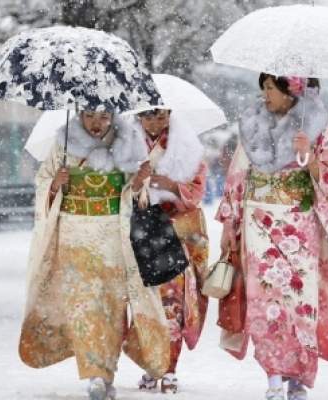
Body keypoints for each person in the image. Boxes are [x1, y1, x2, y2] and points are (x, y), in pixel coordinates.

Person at [216, 74, 328, 400]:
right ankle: (273, 376)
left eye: (271, 88)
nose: (265, 95)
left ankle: (298, 378)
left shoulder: (317, 127)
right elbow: (237, 177)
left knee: (300, 302)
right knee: (265, 301)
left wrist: (310, 157)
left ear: (292, 91)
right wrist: (230, 224)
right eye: (264, 88)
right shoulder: (253, 125)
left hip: (298, 225)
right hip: (259, 219)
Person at [20, 110, 173, 400]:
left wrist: (139, 181)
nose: (96, 123)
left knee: (111, 306)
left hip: (113, 234)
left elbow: (135, 196)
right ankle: (94, 374)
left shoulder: (127, 141)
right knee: (83, 305)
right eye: (89, 115)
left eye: (103, 117)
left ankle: (107, 371)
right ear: (78, 115)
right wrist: (55, 184)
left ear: (113, 117)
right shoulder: (63, 143)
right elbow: (43, 183)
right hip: (74, 234)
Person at [133, 108, 209, 393]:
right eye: (147, 116)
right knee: (144, 300)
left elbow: (197, 190)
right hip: (140, 227)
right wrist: (136, 183)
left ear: (170, 114)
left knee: (173, 300)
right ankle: (150, 364)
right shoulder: (127, 144)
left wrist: (171, 186)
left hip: (175, 229)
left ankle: (169, 366)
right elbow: (118, 188)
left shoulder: (186, 146)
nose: (154, 122)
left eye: (160, 115)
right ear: (138, 118)